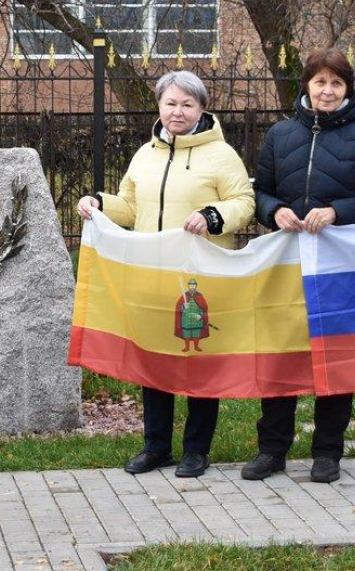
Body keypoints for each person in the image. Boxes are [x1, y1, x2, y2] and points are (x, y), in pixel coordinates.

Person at [77, 70, 255, 478]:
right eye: (171, 103)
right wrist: (98, 203)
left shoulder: (220, 155)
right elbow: (130, 205)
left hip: (198, 276)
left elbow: (244, 202)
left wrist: (212, 216)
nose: (178, 111)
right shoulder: (146, 154)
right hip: (151, 275)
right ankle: (156, 446)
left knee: (198, 360)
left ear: (201, 109)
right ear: (159, 106)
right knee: (153, 359)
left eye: (187, 104)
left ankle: (196, 449)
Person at [241, 48, 355, 484]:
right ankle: (272, 450)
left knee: (336, 357)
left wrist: (336, 212)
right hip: (286, 263)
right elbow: (261, 193)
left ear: (347, 89)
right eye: (320, 82)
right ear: (306, 85)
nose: (327, 91)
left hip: (339, 265)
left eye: (337, 83)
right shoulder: (280, 135)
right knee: (281, 356)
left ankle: (327, 452)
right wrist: (274, 212)